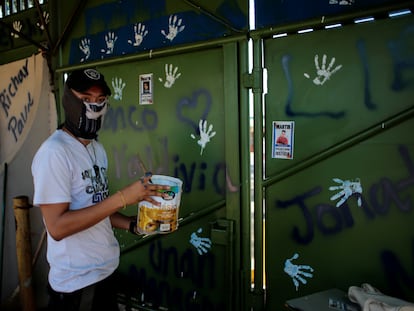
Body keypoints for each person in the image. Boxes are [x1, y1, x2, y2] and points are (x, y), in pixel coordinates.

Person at [31, 68, 169, 311]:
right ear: (69, 100)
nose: (94, 107)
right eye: (86, 99)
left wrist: (132, 224)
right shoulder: (54, 153)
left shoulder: (97, 149)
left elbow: (95, 207)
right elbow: (57, 227)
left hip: (105, 273)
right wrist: (123, 197)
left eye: (100, 100)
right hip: (76, 284)